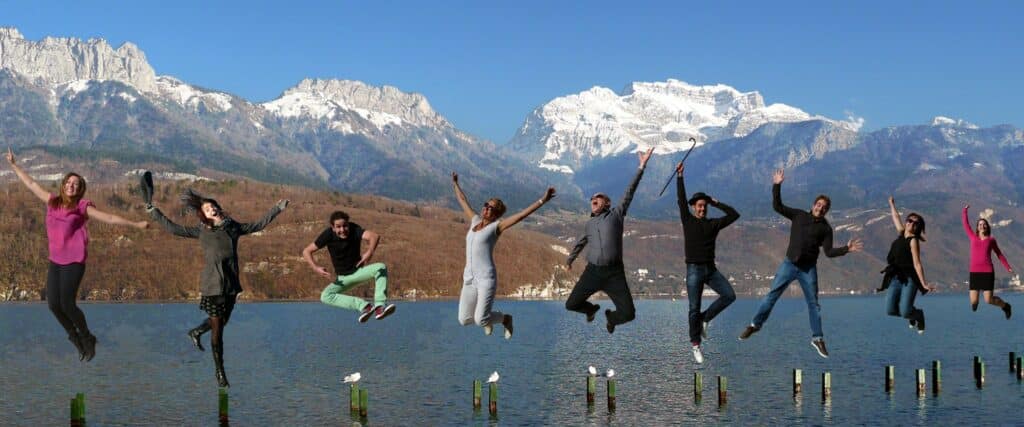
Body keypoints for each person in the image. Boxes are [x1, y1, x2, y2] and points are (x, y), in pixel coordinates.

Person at [142, 172, 287, 388]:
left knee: (223, 322)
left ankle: (197, 331)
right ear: (203, 214)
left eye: (213, 206)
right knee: (218, 330)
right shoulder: (201, 231)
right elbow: (172, 227)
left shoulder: (233, 227)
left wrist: (276, 209)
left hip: (230, 285)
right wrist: (154, 212)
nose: (211, 208)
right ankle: (220, 373)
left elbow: (257, 225)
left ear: (218, 208)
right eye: (207, 208)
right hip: (212, 285)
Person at [7, 148, 148, 362]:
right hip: (55, 260)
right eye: (69, 183)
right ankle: (75, 338)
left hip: (74, 260)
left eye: (76, 184)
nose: (72, 186)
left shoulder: (82, 207)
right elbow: (32, 184)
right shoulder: (52, 201)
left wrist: (135, 225)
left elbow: (109, 218)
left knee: (67, 303)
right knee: (53, 304)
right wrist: (14, 165)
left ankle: (87, 338)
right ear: (63, 185)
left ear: (80, 189)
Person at [739, 169, 863, 358]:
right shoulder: (799, 215)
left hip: (808, 270)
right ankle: (755, 325)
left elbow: (829, 253)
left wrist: (846, 249)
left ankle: (818, 338)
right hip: (789, 265)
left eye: (824, 207)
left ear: (826, 211)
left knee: (814, 305)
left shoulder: (826, 229)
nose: (820, 208)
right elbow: (777, 206)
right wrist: (777, 185)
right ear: (813, 205)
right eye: (819, 205)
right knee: (771, 296)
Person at [452, 171, 555, 339]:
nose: (486, 208)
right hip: (469, 278)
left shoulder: (496, 227)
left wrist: (543, 199)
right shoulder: (475, 220)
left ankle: (505, 319)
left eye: (490, 208)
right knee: (463, 319)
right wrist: (455, 183)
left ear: (496, 214)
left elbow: (521, 215)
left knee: (480, 319)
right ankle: (488, 321)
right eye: (486, 204)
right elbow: (463, 201)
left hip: (486, 279)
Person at [565, 147, 654, 334]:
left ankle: (611, 318)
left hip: (614, 273)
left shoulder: (616, 215)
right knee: (571, 304)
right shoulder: (589, 224)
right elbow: (580, 243)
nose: (593, 199)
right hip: (593, 272)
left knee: (629, 313)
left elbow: (630, 191)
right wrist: (570, 260)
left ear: (607, 203)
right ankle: (591, 309)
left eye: (598, 197)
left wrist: (641, 166)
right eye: (592, 198)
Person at [675, 161, 740, 364]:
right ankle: (695, 344)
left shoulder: (714, 224)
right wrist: (680, 177)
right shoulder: (688, 220)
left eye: (704, 206)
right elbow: (680, 200)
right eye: (699, 206)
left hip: (710, 270)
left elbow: (734, 215)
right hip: (693, 270)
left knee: (729, 295)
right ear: (694, 207)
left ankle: (706, 318)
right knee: (693, 308)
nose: (702, 208)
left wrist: (715, 201)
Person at [301, 211, 395, 322]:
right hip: (342, 278)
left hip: (358, 272)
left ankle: (380, 307)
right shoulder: (327, 235)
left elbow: (374, 236)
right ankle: (365, 307)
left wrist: (370, 251)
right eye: (338, 227)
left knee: (381, 267)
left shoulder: (355, 229)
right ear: (333, 228)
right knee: (325, 296)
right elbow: (306, 251)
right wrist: (315, 268)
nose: (342, 230)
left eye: (345, 226)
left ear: (348, 224)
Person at [879, 197, 935, 333]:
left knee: (904, 311)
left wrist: (923, 284)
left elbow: (917, 263)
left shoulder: (913, 241)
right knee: (890, 310)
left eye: (916, 223)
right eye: (910, 221)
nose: (912, 224)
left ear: (918, 228)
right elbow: (896, 218)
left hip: (910, 279)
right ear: (906, 222)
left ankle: (918, 316)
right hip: (896, 277)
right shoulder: (901, 234)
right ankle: (911, 314)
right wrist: (891, 204)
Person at [962, 204, 1013, 318]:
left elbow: (999, 254)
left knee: (988, 300)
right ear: (977, 227)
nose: (982, 226)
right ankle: (975, 303)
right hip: (974, 272)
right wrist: (965, 211)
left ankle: (1005, 306)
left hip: (987, 272)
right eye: (980, 224)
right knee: (974, 302)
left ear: (987, 227)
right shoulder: (973, 237)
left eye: (984, 224)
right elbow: (966, 225)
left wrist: (1008, 267)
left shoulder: (991, 240)